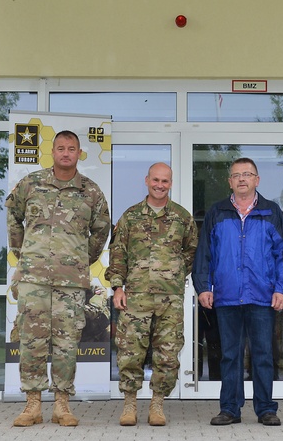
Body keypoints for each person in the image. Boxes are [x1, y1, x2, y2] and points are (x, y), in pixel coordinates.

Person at [6, 130, 111, 427]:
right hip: (33, 278)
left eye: (72, 149)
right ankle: (33, 403)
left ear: (79, 153)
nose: (66, 153)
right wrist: (21, 250)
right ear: (53, 151)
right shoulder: (31, 183)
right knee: (32, 340)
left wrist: (81, 259)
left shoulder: (90, 191)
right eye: (61, 148)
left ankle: (62, 404)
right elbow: (13, 215)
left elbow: (101, 230)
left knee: (66, 343)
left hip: (71, 282)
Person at [193, 157, 283, 427]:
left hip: (262, 297)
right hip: (226, 298)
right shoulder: (217, 212)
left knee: (263, 355)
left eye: (247, 174)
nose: (241, 179)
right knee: (230, 356)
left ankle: (266, 409)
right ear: (230, 181)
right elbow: (204, 255)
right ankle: (229, 409)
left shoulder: (272, 212)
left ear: (257, 180)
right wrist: (204, 287)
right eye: (236, 175)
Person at [106, 162, 198, 426]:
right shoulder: (130, 217)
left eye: (165, 181)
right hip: (135, 298)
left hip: (170, 300)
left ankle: (157, 404)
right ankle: (130, 404)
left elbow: (192, 251)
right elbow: (118, 253)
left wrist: (175, 274)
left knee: (167, 354)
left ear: (171, 183)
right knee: (130, 352)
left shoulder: (182, 217)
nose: (160, 185)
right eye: (155, 180)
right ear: (146, 180)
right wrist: (118, 286)